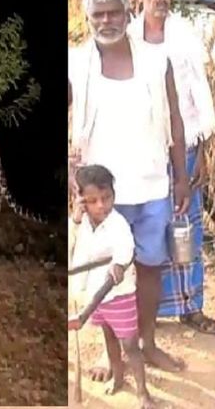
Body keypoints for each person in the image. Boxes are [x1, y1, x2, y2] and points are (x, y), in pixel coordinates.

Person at [68, 0, 191, 378]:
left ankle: (148, 344)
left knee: (151, 267)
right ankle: (114, 357)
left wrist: (181, 177)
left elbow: (175, 119)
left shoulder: (157, 61)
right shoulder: (76, 63)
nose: (106, 21)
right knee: (107, 273)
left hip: (152, 183)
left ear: (127, 11)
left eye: (113, 12)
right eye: (98, 14)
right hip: (101, 194)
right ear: (88, 18)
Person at [127, 0, 215, 335]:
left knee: (186, 228)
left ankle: (190, 307)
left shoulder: (184, 37)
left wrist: (205, 152)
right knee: (145, 228)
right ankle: (142, 312)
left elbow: (201, 96)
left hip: (186, 147)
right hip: (141, 151)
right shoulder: (127, 38)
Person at [68, 165, 154, 409]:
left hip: (119, 296)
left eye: (106, 198)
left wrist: (118, 265)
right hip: (96, 297)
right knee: (109, 341)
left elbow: (126, 248)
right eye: (92, 200)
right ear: (82, 200)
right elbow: (70, 244)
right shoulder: (80, 223)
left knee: (129, 345)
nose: (101, 206)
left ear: (114, 195)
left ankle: (142, 394)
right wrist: (75, 218)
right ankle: (117, 377)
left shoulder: (118, 224)